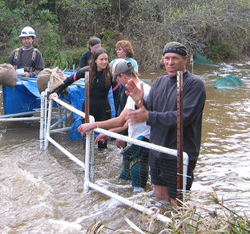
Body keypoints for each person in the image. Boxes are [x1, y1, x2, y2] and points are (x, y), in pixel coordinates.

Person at [125, 41, 206, 205]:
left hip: (179, 153)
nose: (170, 63)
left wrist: (148, 115)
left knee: (178, 203)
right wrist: (140, 102)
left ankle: (180, 230)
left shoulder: (194, 84)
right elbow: (150, 110)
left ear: (185, 59)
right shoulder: (159, 82)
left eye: (175, 58)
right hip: (158, 150)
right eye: (167, 58)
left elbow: (184, 117)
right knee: (160, 199)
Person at [78, 60, 151, 189]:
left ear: (122, 76)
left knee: (137, 188)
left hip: (142, 141)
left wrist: (92, 125)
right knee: (123, 180)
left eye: (116, 79)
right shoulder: (141, 88)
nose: (116, 82)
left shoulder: (139, 90)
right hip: (135, 139)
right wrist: (111, 133)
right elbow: (129, 120)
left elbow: (120, 120)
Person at [49, 47, 113, 149]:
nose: (104, 62)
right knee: (87, 141)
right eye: (101, 59)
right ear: (95, 60)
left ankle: (102, 161)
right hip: (88, 108)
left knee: (103, 143)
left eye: (106, 59)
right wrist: (56, 92)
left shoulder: (109, 74)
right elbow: (69, 80)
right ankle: (85, 163)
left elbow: (118, 94)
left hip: (104, 109)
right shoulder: (87, 71)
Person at [109, 40, 139, 116]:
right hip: (117, 89)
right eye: (117, 50)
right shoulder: (114, 61)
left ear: (126, 50)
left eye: (120, 49)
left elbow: (134, 75)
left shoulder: (132, 62)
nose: (117, 52)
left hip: (127, 88)